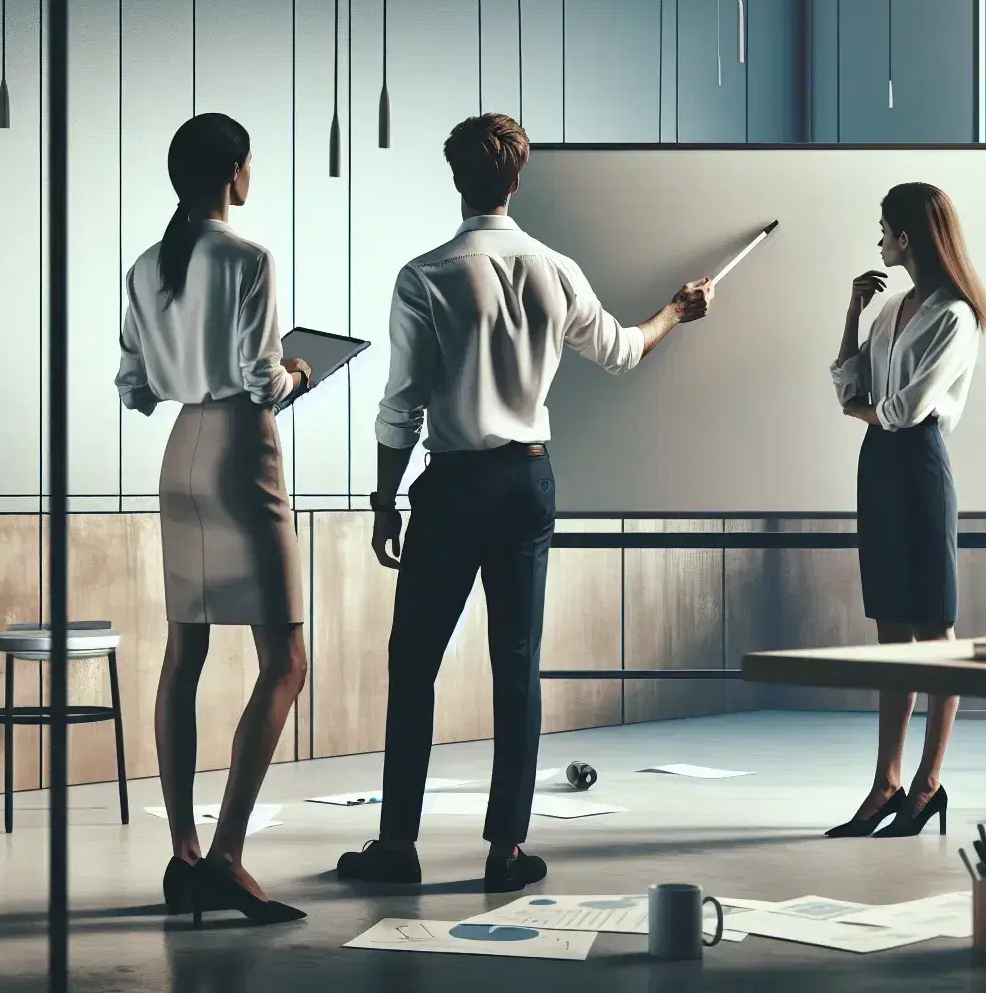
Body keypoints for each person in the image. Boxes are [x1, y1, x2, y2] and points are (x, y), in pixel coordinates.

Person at [334, 113, 714, 893]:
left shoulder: (425, 274)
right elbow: (619, 350)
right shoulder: (555, 269)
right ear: (516, 178)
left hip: (453, 483)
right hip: (527, 483)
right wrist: (676, 310)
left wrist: (383, 498)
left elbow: (401, 405)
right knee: (518, 667)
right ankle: (506, 851)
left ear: (456, 178)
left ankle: (397, 847)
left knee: (413, 663)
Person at [116, 113, 312, 924]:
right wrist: (300, 371)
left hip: (179, 451)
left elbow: (134, 387)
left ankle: (185, 856)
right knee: (286, 660)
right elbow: (262, 380)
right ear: (235, 169)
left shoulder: (142, 267)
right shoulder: (249, 257)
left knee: (184, 653)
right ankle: (229, 857)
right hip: (238, 448)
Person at [824, 182, 986, 839]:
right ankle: (885, 783)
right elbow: (847, 382)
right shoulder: (893, 306)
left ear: (907, 236)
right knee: (891, 630)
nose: (879, 240)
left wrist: (867, 411)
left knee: (935, 635)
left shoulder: (956, 314)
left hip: (919, 465)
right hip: (881, 466)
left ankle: (928, 783)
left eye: (885, 228)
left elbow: (905, 410)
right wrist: (853, 313)